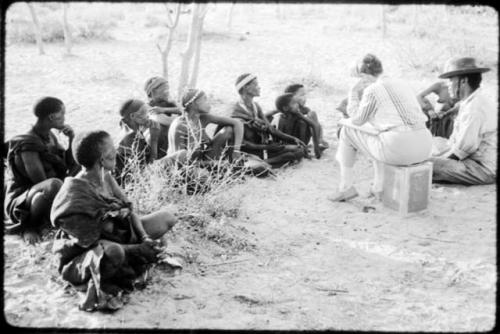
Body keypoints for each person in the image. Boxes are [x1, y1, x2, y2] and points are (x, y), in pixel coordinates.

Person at [51, 130, 177, 311]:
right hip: (88, 252)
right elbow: (89, 242)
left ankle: (134, 254)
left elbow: (129, 209)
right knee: (115, 253)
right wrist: (137, 249)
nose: (116, 151)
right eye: (112, 149)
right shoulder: (75, 195)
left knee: (167, 218)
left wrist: (144, 237)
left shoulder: (106, 177)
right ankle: (107, 279)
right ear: (102, 159)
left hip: (122, 235)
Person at [330, 56, 432, 202]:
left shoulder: (372, 89)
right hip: (425, 145)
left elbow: (356, 119)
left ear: (364, 77)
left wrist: (353, 92)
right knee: (377, 135)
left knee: (347, 130)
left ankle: (345, 188)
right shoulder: (403, 83)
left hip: (399, 148)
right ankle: (378, 187)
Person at [4, 97, 79, 244]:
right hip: (23, 198)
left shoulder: (49, 135)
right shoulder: (27, 143)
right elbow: (41, 181)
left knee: (80, 165)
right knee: (53, 185)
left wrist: (72, 139)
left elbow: (68, 165)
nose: (64, 118)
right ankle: (28, 226)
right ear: (52, 117)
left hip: (44, 193)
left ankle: (50, 218)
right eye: (62, 113)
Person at [430, 57, 496, 185]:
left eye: (450, 81)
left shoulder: (475, 108)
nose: (448, 85)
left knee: (425, 164)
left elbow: (462, 151)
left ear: (464, 81)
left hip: (481, 168)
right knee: (435, 143)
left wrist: (438, 160)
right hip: (472, 160)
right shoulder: (472, 101)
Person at [230, 73, 309, 168]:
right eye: (255, 85)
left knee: (299, 150)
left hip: (263, 146)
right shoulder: (236, 111)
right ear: (246, 88)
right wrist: (267, 147)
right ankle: (263, 163)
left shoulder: (256, 106)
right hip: (251, 150)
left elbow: (271, 129)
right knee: (294, 154)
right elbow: (243, 143)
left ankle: (264, 163)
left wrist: (294, 139)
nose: (259, 87)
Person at [115, 99, 186, 184]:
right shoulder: (130, 138)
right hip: (136, 181)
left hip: (143, 175)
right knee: (182, 154)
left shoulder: (136, 133)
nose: (148, 116)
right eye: (144, 112)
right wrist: (154, 139)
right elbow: (144, 169)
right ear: (133, 116)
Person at [167, 88, 244, 163]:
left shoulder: (203, 118)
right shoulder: (180, 125)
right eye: (205, 99)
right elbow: (179, 160)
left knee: (229, 130)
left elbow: (237, 123)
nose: (209, 103)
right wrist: (214, 164)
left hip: (201, 161)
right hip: (185, 167)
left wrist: (236, 150)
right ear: (194, 103)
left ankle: (234, 161)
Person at [267, 83, 329, 152]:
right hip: (292, 139)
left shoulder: (305, 109)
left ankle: (318, 141)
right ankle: (316, 143)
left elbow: (315, 124)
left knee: (311, 118)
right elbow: (268, 115)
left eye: (305, 95)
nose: (305, 98)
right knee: (308, 118)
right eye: (302, 95)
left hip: (298, 139)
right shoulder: (285, 109)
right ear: (291, 96)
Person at [336, 54, 381, 138]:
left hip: (373, 129)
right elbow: (342, 107)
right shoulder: (358, 92)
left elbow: (358, 118)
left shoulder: (372, 91)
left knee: (345, 128)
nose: (363, 80)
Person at [271, 93, 322, 159]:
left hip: (301, 142)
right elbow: (280, 135)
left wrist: (316, 148)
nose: (297, 105)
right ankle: (300, 151)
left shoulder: (298, 115)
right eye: (294, 103)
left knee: (302, 123)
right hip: (289, 143)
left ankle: (304, 149)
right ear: (286, 108)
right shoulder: (281, 119)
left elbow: (313, 125)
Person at [144, 77, 182, 157]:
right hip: (156, 144)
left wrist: (164, 109)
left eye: (168, 89)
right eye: (164, 90)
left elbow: (184, 110)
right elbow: (165, 120)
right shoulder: (147, 106)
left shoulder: (168, 102)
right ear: (153, 91)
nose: (167, 92)